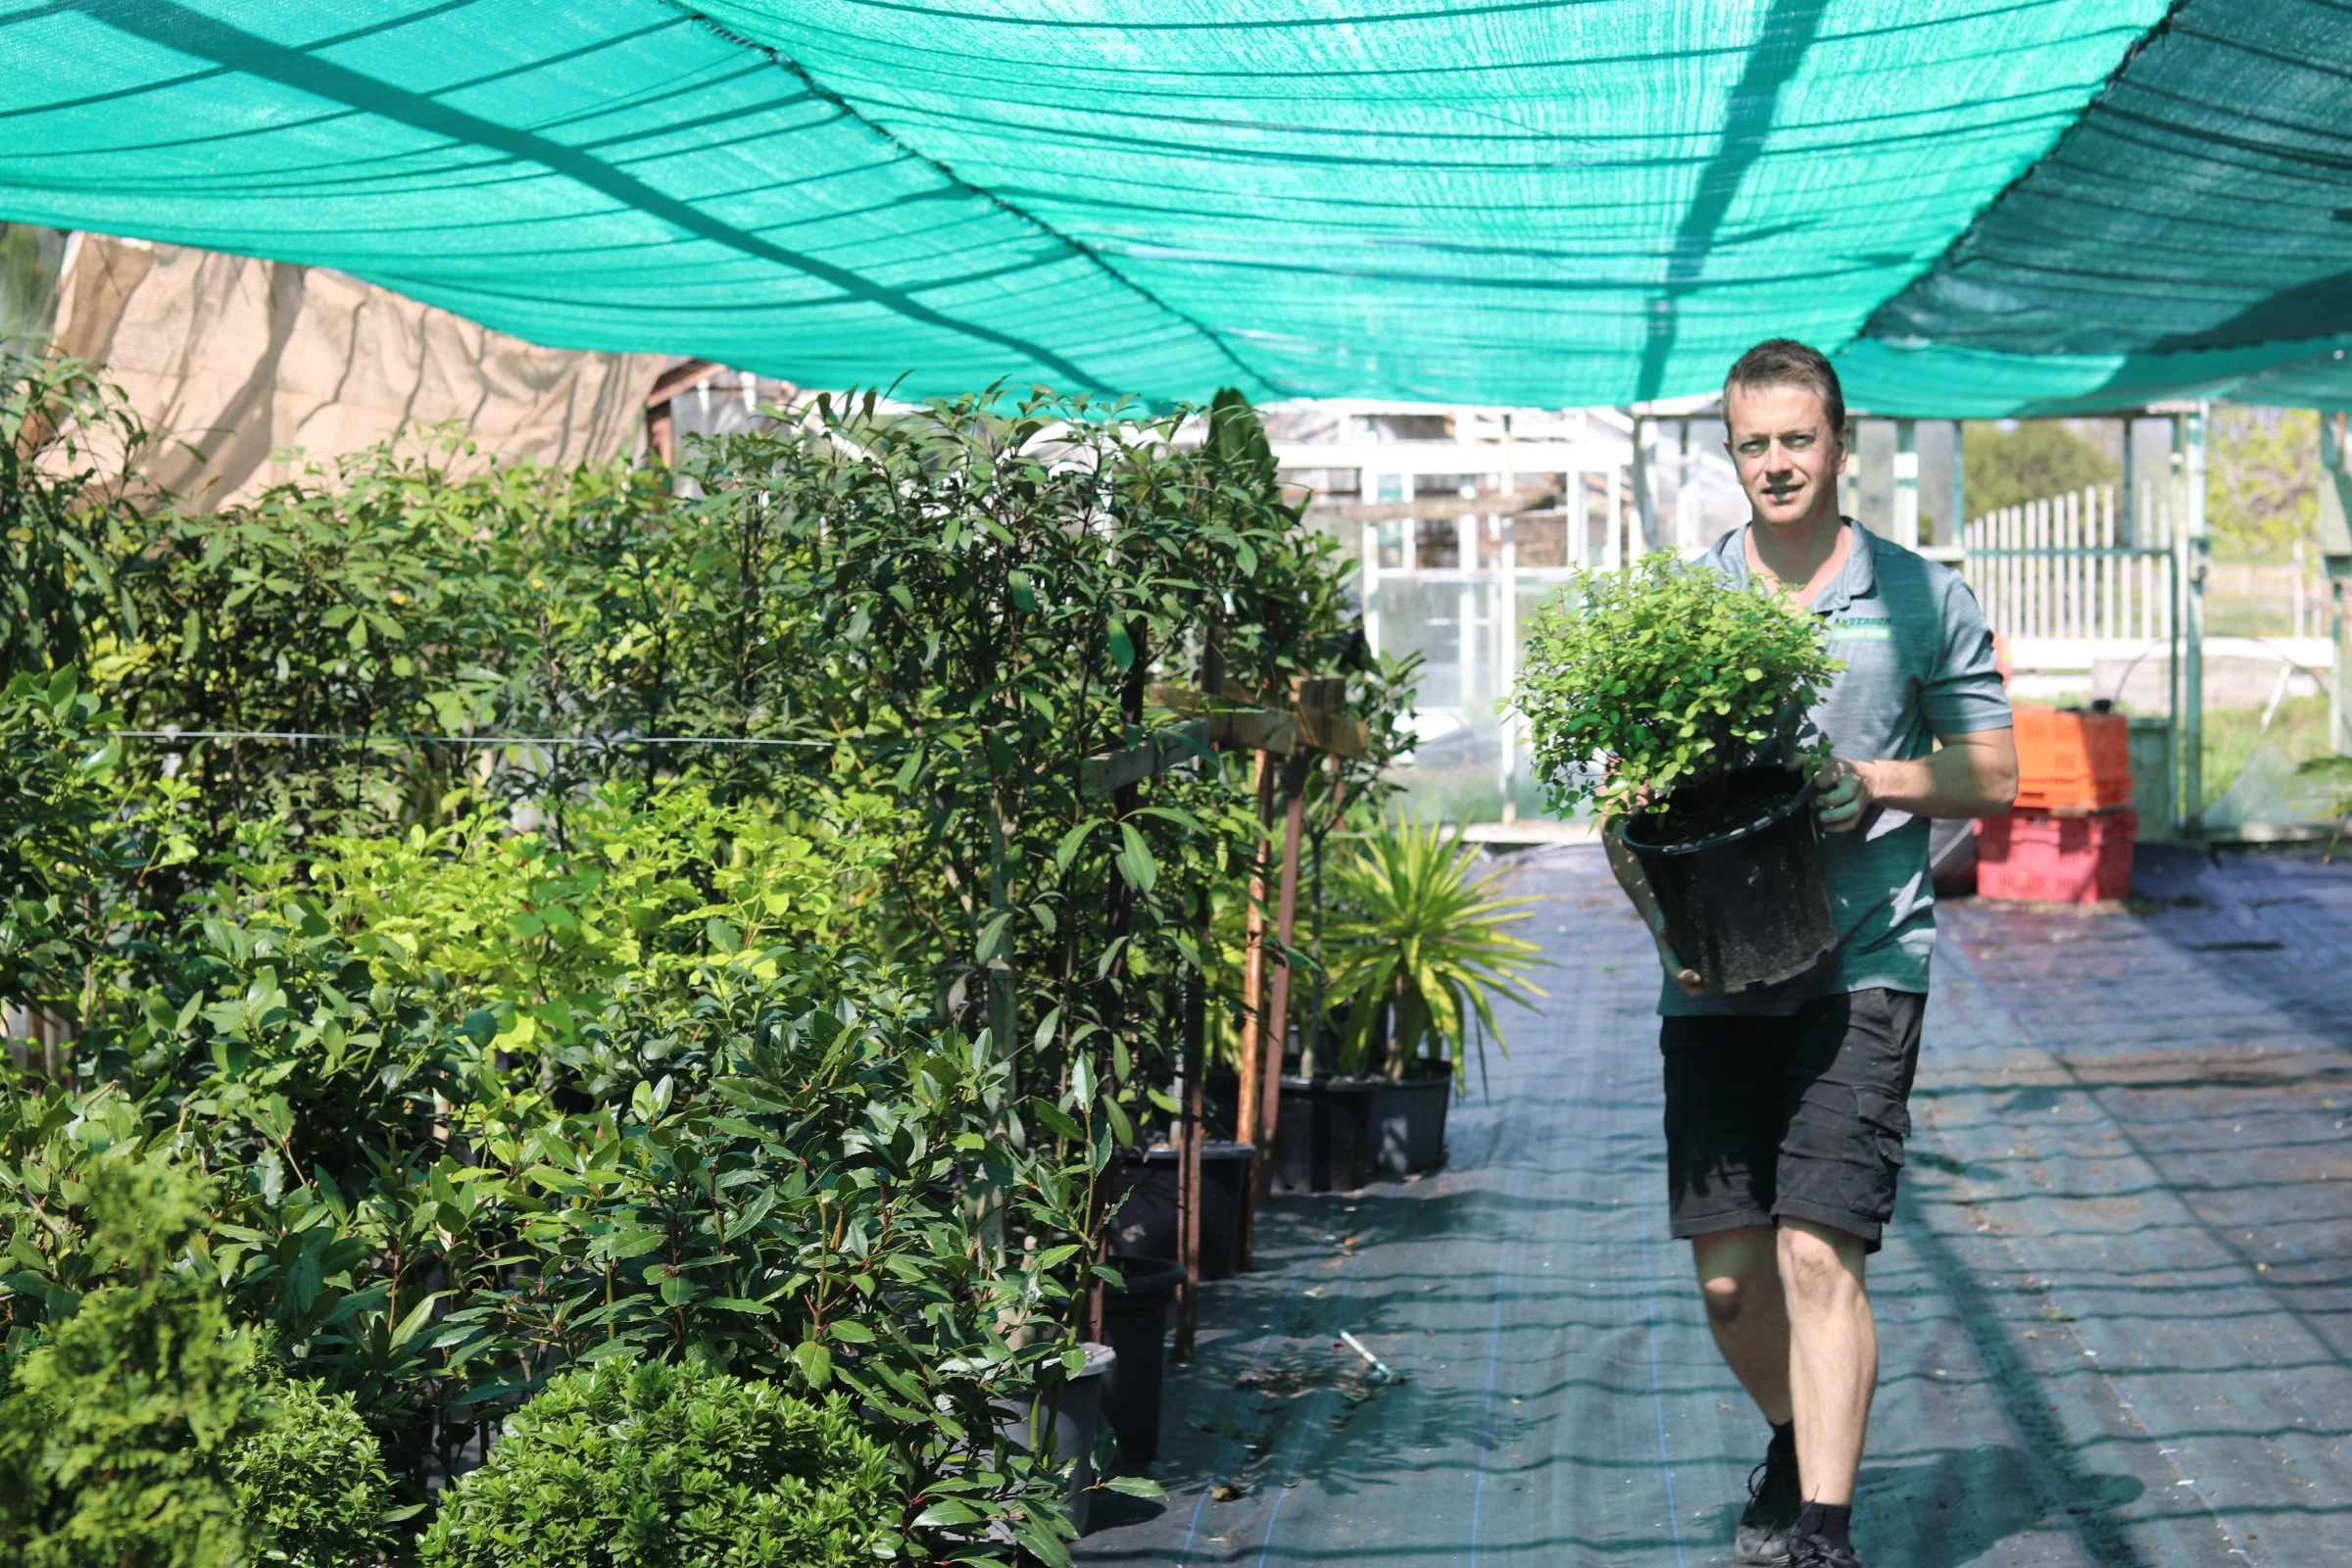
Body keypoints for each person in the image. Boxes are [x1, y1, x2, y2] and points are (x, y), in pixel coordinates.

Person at [1601, 340, 2017, 1568]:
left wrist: (1876, 781)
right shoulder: (1687, 607)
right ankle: (1795, 1437)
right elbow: (1627, 811)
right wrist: (1665, 931)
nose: (1778, 463)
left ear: (1841, 442)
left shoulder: (1917, 597)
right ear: (1730, 455)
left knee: (1815, 1249)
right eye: (1755, 444)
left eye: (1799, 438)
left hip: (1865, 962)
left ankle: (1825, 1531)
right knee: (1734, 1283)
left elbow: (1994, 774)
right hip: (1716, 977)